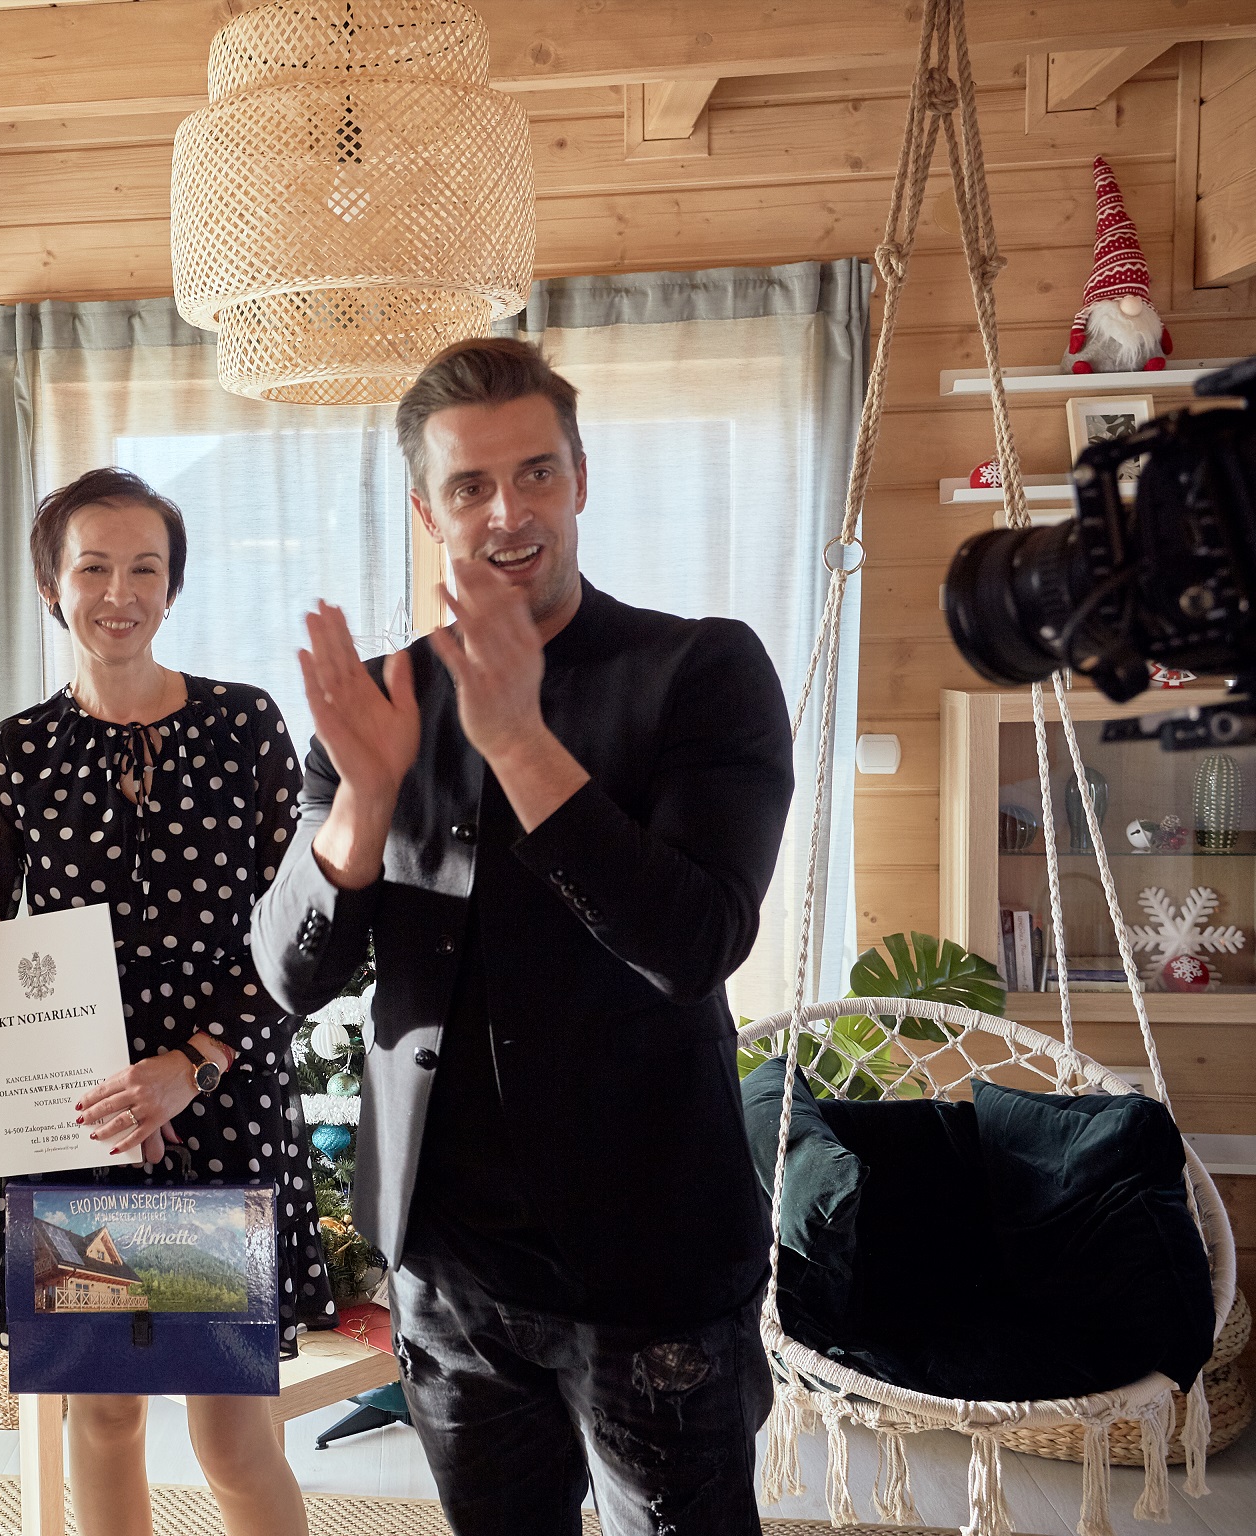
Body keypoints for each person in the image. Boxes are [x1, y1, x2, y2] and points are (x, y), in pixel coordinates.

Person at [251, 339, 795, 1536]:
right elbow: (290, 972)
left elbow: (696, 941)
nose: (509, 512)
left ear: (580, 478)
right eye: (470, 485)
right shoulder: (377, 702)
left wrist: (518, 742)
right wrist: (362, 801)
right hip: (449, 1272)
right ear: (426, 510)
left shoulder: (703, 669)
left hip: (650, 1264)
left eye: (536, 473)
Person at [0, 467, 332, 1536]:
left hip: (227, 1108)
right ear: (52, 588)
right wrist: (93, 1100)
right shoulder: (19, 752)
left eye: (145, 569)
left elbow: (301, 933)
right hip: (81, 1132)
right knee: (104, 1418)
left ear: (173, 586)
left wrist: (188, 1068)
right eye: (94, 568)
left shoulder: (247, 725)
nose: (120, 592)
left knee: (232, 1436)